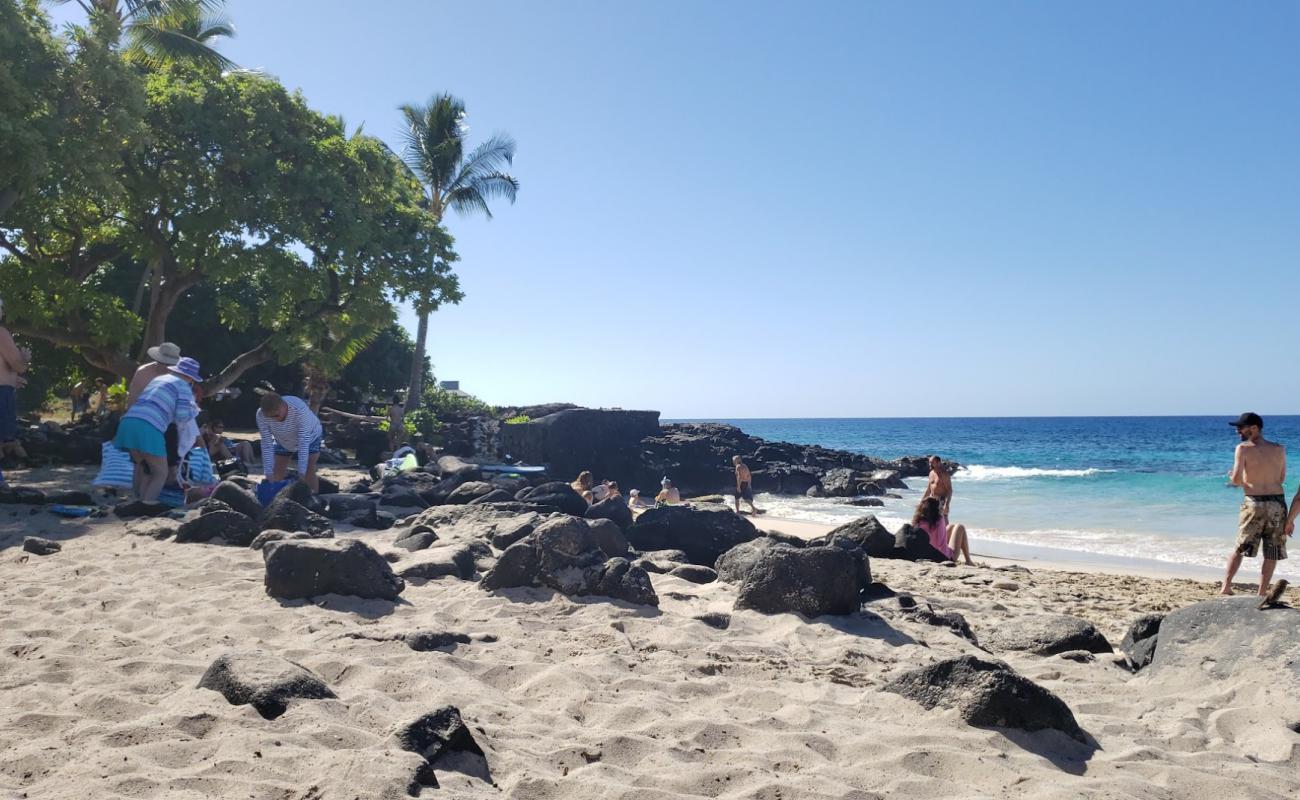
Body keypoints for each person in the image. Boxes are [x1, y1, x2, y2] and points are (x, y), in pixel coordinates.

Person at [111, 356, 202, 515]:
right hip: (149, 427)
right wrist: (193, 410)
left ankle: (138, 502)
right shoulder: (183, 387)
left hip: (128, 423)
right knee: (161, 472)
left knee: (146, 468)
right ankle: (147, 506)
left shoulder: (159, 379)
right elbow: (181, 417)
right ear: (190, 377)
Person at [1222, 412, 1290, 597]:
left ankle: (1226, 587)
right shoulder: (1279, 449)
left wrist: (1234, 478)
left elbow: (1236, 480)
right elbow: (1281, 478)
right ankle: (1261, 592)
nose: (1238, 432)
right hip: (1277, 503)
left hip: (1254, 502)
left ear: (1254, 428)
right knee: (1272, 550)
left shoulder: (1243, 449)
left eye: (1240, 428)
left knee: (1241, 546)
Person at [256, 392, 324, 494]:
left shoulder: (298, 409)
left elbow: (303, 442)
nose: (274, 419)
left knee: (309, 469)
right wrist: (268, 473)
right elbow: (266, 444)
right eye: (269, 417)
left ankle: (314, 495)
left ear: (283, 406)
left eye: (276, 415)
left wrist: (301, 475)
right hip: (283, 438)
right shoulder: (261, 415)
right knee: (277, 471)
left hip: (310, 436)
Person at [0, 298, 31, 471]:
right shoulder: (1, 333)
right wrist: (24, 359)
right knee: (5, 434)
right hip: (2, 391)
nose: (3, 312)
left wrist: (13, 378)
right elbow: (16, 364)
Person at [913, 496, 974, 565]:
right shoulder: (939, 520)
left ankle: (968, 560)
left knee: (950, 527)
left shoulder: (918, 522)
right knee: (960, 527)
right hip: (944, 558)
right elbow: (940, 542)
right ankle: (968, 560)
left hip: (926, 555)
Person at [127, 342, 182, 406]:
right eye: (163, 363)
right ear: (157, 360)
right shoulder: (142, 372)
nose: (166, 367)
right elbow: (133, 398)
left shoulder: (178, 377)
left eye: (170, 364)